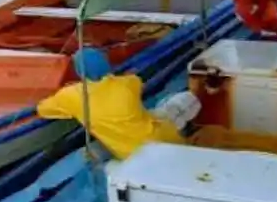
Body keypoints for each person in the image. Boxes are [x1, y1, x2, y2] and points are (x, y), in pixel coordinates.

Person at [36, 48, 187, 159]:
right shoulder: (127, 83)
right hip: (165, 138)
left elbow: (42, 109)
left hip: (132, 155)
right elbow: (137, 82)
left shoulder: (71, 95)